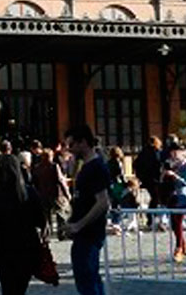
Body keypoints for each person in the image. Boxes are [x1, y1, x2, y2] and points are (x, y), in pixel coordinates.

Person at [0, 154, 46, 295]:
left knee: (8, 289)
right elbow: (41, 221)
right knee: (20, 288)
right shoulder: (29, 192)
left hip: (4, 250)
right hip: (28, 248)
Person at [65, 125, 110, 295]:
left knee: (87, 281)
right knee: (89, 279)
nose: (69, 149)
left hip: (89, 233)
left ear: (83, 142)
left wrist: (79, 224)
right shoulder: (86, 167)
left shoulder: (95, 167)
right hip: (84, 232)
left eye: (71, 145)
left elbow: (103, 202)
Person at [32, 145, 71, 240]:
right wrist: (67, 194)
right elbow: (60, 181)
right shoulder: (54, 166)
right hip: (56, 195)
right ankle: (61, 233)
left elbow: (34, 183)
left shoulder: (37, 168)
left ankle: (46, 235)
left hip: (43, 195)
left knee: (46, 217)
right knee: (60, 215)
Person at [162, 143, 186, 262]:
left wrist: (174, 175)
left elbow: (185, 182)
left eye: (176, 151)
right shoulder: (169, 163)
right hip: (170, 194)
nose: (174, 154)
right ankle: (183, 245)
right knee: (174, 223)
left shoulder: (185, 164)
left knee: (178, 221)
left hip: (181, 195)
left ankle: (178, 248)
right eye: (172, 152)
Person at [133, 137, 163, 222]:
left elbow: (135, 164)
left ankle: (150, 218)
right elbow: (158, 164)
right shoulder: (156, 152)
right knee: (156, 198)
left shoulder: (143, 152)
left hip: (145, 179)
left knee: (152, 198)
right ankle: (152, 217)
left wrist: (139, 176)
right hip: (154, 179)